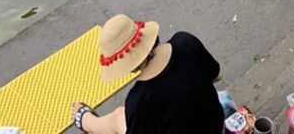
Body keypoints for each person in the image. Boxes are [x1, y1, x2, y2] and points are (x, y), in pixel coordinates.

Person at [70, 13, 223, 134]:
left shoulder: (141, 98)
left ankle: (85, 120)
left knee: (118, 117)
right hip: (217, 126)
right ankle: (88, 121)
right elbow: (216, 75)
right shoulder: (184, 41)